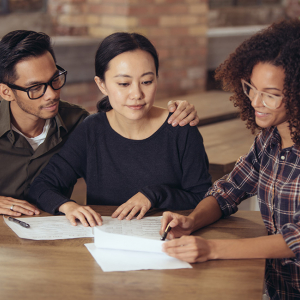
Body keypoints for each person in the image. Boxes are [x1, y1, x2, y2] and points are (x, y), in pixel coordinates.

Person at [161, 19, 300, 300]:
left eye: (271, 95)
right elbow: (229, 189)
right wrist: (191, 222)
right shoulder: (268, 141)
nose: (256, 102)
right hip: (276, 291)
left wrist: (212, 249)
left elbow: (296, 239)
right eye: (252, 88)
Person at [0, 30, 200, 218]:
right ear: (101, 84)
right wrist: (68, 206)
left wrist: (154, 195)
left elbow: (206, 198)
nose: (52, 94)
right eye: (123, 84)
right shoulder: (91, 129)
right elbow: (44, 185)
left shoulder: (77, 122)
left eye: (147, 81)